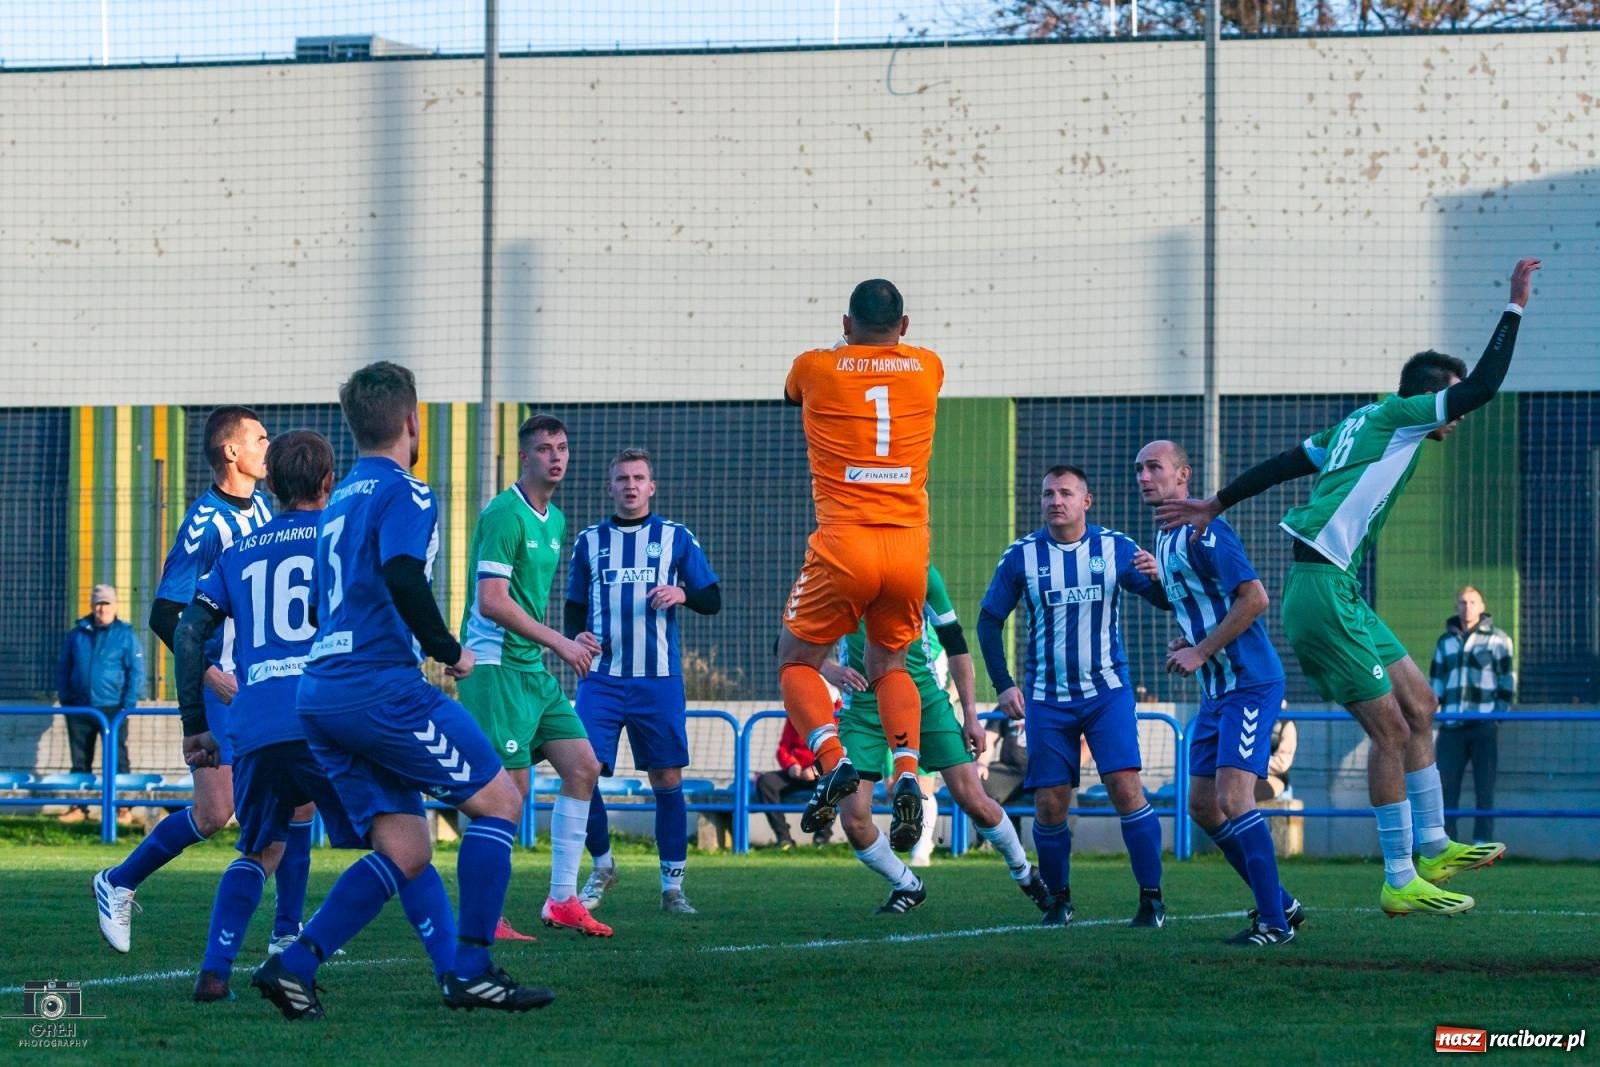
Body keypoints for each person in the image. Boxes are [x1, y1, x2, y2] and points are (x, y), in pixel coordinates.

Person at [1156, 257, 1538, 917]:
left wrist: (1217, 499)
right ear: (1427, 396)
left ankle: (1437, 843)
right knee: (1389, 730)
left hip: (1341, 589)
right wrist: (1515, 307)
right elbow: (1479, 388)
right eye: (1446, 401)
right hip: (1320, 593)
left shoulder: (1355, 424)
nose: (1458, 415)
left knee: (1421, 703)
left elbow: (1284, 463)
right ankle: (1398, 876)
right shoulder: (1401, 414)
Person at [249, 362, 553, 1019]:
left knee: (407, 849)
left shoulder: (339, 504)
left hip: (322, 693)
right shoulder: (408, 493)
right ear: (412, 421)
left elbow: (324, 606)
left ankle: (293, 964)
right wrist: (447, 649)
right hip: (378, 689)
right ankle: (471, 967)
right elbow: (402, 574)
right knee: (500, 800)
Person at [175, 431, 456, 1003]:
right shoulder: (345, 539)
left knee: (257, 851)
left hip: (254, 723)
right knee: (405, 843)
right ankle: (455, 970)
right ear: (330, 483)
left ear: (271, 484)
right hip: (329, 713)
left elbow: (187, 633)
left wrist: (194, 725)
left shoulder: (238, 552)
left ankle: (214, 969)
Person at [93, 407, 315, 954]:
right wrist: (213, 677)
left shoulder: (265, 506)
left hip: (259, 680)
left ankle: (287, 932)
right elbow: (165, 614)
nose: (270, 447)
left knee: (301, 801)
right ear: (232, 452)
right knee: (216, 813)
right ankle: (117, 881)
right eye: (260, 439)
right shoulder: (204, 524)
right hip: (219, 685)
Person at [777, 279, 945, 854]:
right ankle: (905, 770)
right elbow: (891, 362)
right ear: (904, 326)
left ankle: (832, 761)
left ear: (846, 324)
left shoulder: (816, 366)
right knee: (889, 660)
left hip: (844, 542)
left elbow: (792, 391)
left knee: (796, 659)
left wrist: (846, 349)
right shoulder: (927, 366)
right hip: (907, 548)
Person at [977, 465, 1172, 928]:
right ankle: (1058, 900)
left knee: (1126, 789)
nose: (1055, 500)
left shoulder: (1116, 547)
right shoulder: (1021, 556)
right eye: (1048, 493)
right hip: (1047, 698)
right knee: (1049, 802)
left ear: (1087, 501)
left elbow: (1164, 600)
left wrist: (1163, 578)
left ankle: (1151, 898)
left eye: (1066, 493)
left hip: (1107, 693)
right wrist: (1004, 684)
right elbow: (988, 621)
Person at [1136, 439, 1302, 946]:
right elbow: (1198, 600)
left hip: (1248, 682)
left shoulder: (1207, 528)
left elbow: (1255, 598)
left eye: (1155, 467)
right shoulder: (1166, 536)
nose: (1144, 476)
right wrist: (1189, 634)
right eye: (1139, 469)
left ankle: (1274, 922)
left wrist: (1202, 650)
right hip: (1217, 690)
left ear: (1183, 475)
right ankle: (1283, 904)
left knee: (1234, 798)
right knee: (1203, 807)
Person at [456, 414, 610, 940]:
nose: (556, 456)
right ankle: (485, 916)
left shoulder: (556, 519)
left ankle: (563, 900)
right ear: (524, 457)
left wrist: (573, 640)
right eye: (544, 449)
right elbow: (492, 603)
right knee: (507, 794)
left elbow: (524, 602)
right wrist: (562, 642)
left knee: (584, 766)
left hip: (531, 668)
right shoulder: (504, 514)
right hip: (495, 667)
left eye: (562, 447)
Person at [823, 563, 1051, 916]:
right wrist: (831, 669)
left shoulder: (921, 573)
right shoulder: (836, 571)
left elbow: (957, 645)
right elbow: (790, 643)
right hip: (863, 710)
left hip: (925, 701)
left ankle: (1025, 872)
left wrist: (972, 717)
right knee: (853, 818)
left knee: (974, 798)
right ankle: (907, 884)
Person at [567, 448, 722, 915]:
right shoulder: (589, 541)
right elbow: (575, 603)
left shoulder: (675, 537)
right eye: (622, 479)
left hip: (658, 679)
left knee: (666, 778)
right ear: (610, 487)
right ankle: (602, 864)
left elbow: (712, 598)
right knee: (581, 770)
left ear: (651, 487)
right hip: (602, 679)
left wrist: (683, 593)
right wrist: (576, 634)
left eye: (638, 478)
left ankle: (672, 888)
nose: (630, 486)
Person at [1429, 586, 1515, 843]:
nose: (1467, 607)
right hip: (1451, 726)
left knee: (1484, 786)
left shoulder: (1499, 640)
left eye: (1472, 602)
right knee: (1445, 788)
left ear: (1482, 606)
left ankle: (1483, 843)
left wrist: (1497, 718)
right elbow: (1436, 684)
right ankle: (1446, 843)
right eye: (1462, 602)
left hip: (1483, 725)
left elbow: (1507, 682)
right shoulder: (1444, 642)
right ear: (1456, 606)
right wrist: (1435, 714)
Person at [56, 583, 141, 824]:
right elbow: (64, 667)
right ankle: (78, 806)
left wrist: (128, 705)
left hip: (113, 708)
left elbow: (135, 672)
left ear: (114, 606)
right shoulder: (77, 634)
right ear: (92, 607)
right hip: (80, 708)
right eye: (98, 604)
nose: (101, 609)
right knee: (79, 760)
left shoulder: (125, 635)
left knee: (117, 759)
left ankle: (123, 808)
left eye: (106, 604)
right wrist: (67, 700)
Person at [752, 719, 832, 849]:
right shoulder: (796, 715)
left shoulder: (841, 714)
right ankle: (784, 839)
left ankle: (821, 840)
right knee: (766, 782)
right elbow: (783, 748)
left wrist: (818, 769)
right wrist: (791, 765)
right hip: (798, 772)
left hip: (824, 773)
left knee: (833, 784)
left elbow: (840, 752)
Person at [1258, 719, 1298, 802]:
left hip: (1272, 776)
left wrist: (1252, 763)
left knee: (1242, 794)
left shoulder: (1286, 723)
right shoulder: (1245, 715)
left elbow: (1282, 763)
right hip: (1242, 773)